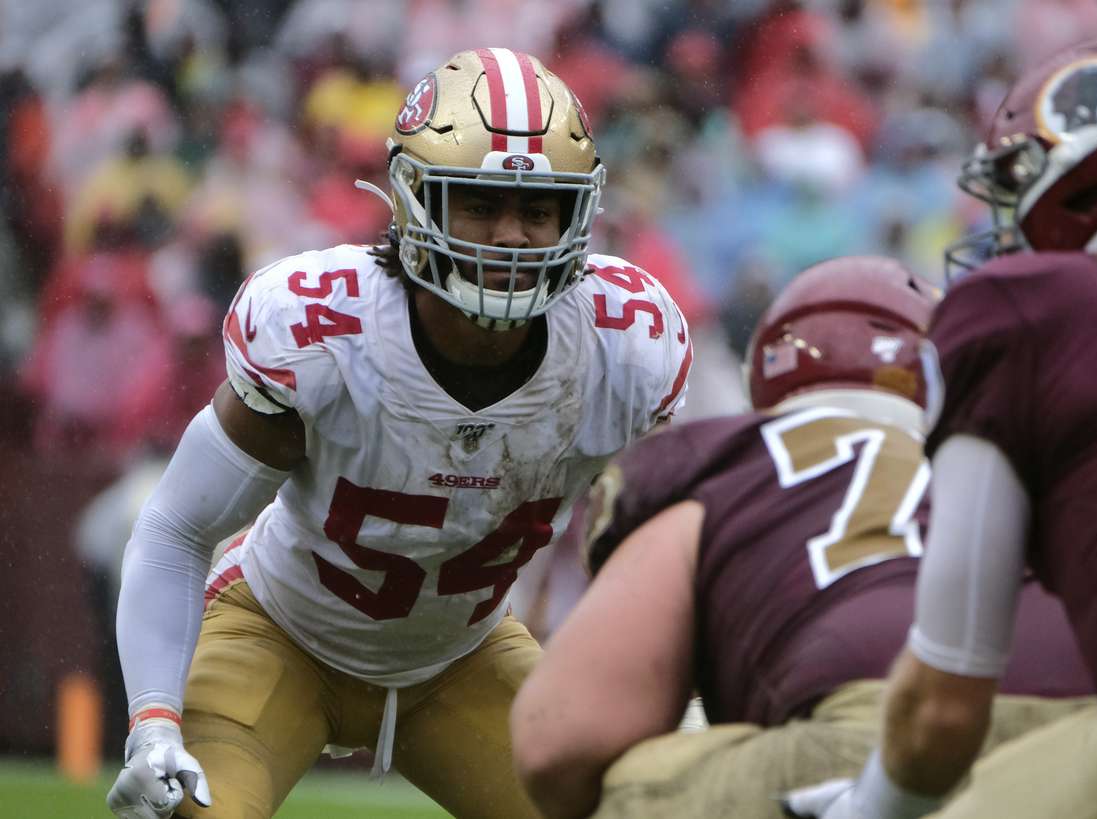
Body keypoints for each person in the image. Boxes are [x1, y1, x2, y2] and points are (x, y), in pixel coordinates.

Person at [105, 47, 692, 819]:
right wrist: (152, 721)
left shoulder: (623, 346)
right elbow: (179, 525)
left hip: (462, 655)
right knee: (184, 809)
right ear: (417, 201)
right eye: (480, 203)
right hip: (278, 632)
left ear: (576, 213)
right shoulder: (327, 330)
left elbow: (675, 554)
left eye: (537, 208)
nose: (513, 236)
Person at [784, 35, 1097, 819]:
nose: (1005, 223)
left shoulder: (1028, 304)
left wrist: (868, 805)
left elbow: (946, 699)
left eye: (1020, 180)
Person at [510, 256, 1093, 819]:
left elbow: (561, 745)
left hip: (869, 731)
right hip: (1080, 736)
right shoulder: (1032, 464)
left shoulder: (724, 463)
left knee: (604, 785)